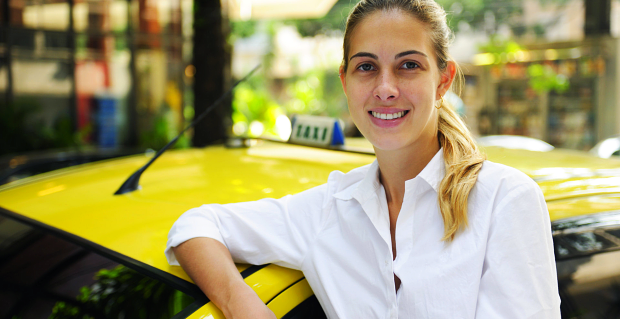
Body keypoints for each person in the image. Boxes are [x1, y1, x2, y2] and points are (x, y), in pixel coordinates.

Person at [165, 0, 561, 318]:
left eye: (408, 65)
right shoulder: (329, 209)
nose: (385, 89)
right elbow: (194, 227)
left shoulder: (504, 200)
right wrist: (244, 305)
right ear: (346, 81)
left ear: (442, 79)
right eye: (367, 67)